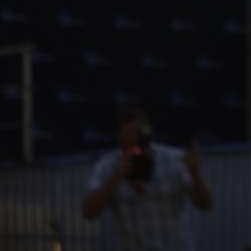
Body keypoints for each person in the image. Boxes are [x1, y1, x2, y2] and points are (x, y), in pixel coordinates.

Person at [81, 105, 212, 250]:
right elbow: (88, 212)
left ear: (148, 133)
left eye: (139, 133)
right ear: (119, 136)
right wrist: (116, 177)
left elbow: (205, 204)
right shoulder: (107, 166)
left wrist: (195, 174)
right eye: (128, 134)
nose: (134, 139)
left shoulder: (175, 160)